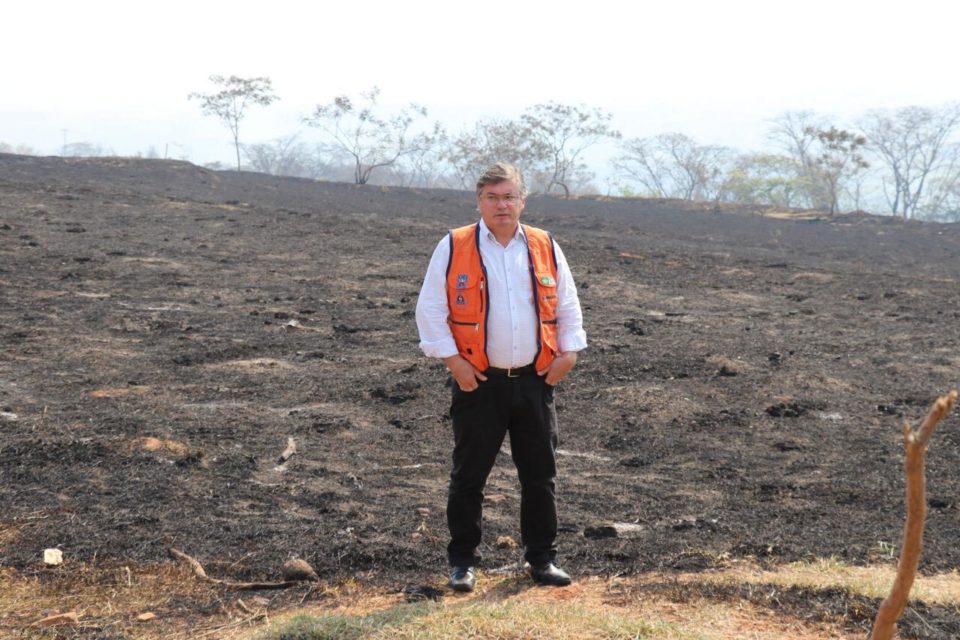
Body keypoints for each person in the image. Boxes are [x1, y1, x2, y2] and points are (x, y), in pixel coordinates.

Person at [415, 163, 587, 592]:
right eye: (492, 197)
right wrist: (454, 363)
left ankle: (542, 560)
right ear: (479, 202)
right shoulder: (454, 245)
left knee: (539, 474)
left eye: (509, 196)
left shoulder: (545, 245)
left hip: (535, 380)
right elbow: (431, 309)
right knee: (469, 476)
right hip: (479, 383)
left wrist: (570, 353)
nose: (501, 205)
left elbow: (566, 302)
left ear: (522, 201)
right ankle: (462, 564)